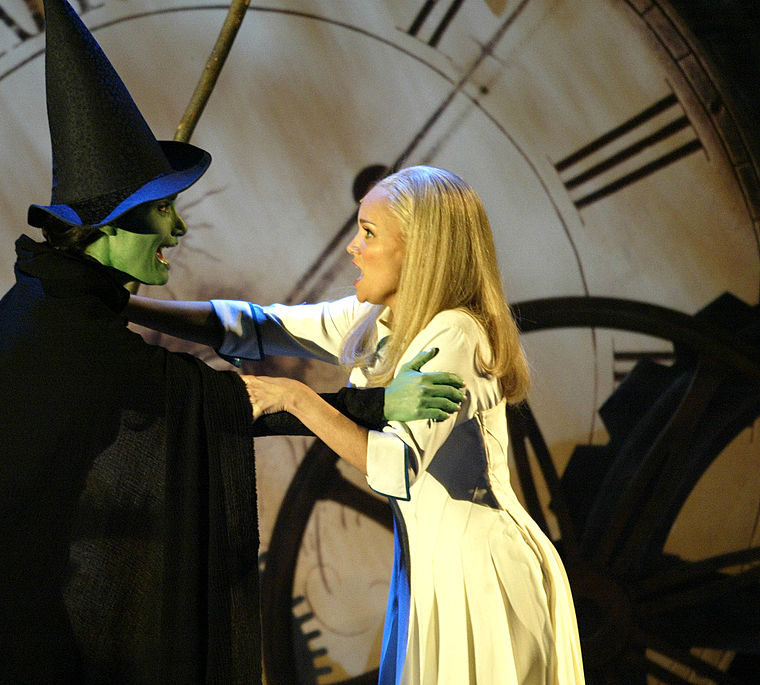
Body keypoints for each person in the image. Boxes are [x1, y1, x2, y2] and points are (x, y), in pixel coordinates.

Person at [0, 2, 463, 683]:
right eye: (160, 211)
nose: (178, 230)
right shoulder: (70, 332)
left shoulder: (55, 300)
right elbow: (212, 400)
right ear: (106, 229)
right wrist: (378, 405)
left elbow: (236, 340)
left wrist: (130, 302)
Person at [126, 165, 585, 683]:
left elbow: (394, 467)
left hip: (479, 571)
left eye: (368, 233)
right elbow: (255, 325)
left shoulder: (454, 333)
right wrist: (124, 305)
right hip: (431, 566)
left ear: (420, 251)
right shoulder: (379, 321)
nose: (353, 247)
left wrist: (297, 397)